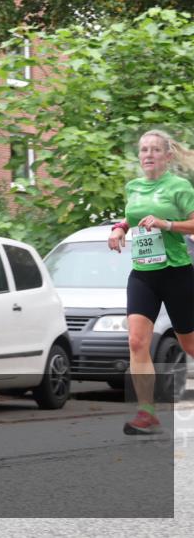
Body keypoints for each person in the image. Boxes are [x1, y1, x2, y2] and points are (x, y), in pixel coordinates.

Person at [108, 129, 194, 435]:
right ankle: (146, 412)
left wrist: (166, 224)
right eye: (144, 149)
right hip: (143, 273)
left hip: (176, 272)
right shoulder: (134, 187)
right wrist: (119, 228)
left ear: (168, 157)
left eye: (155, 150)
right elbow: (133, 216)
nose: (148, 154)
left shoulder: (179, 187)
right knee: (136, 341)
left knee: (189, 344)